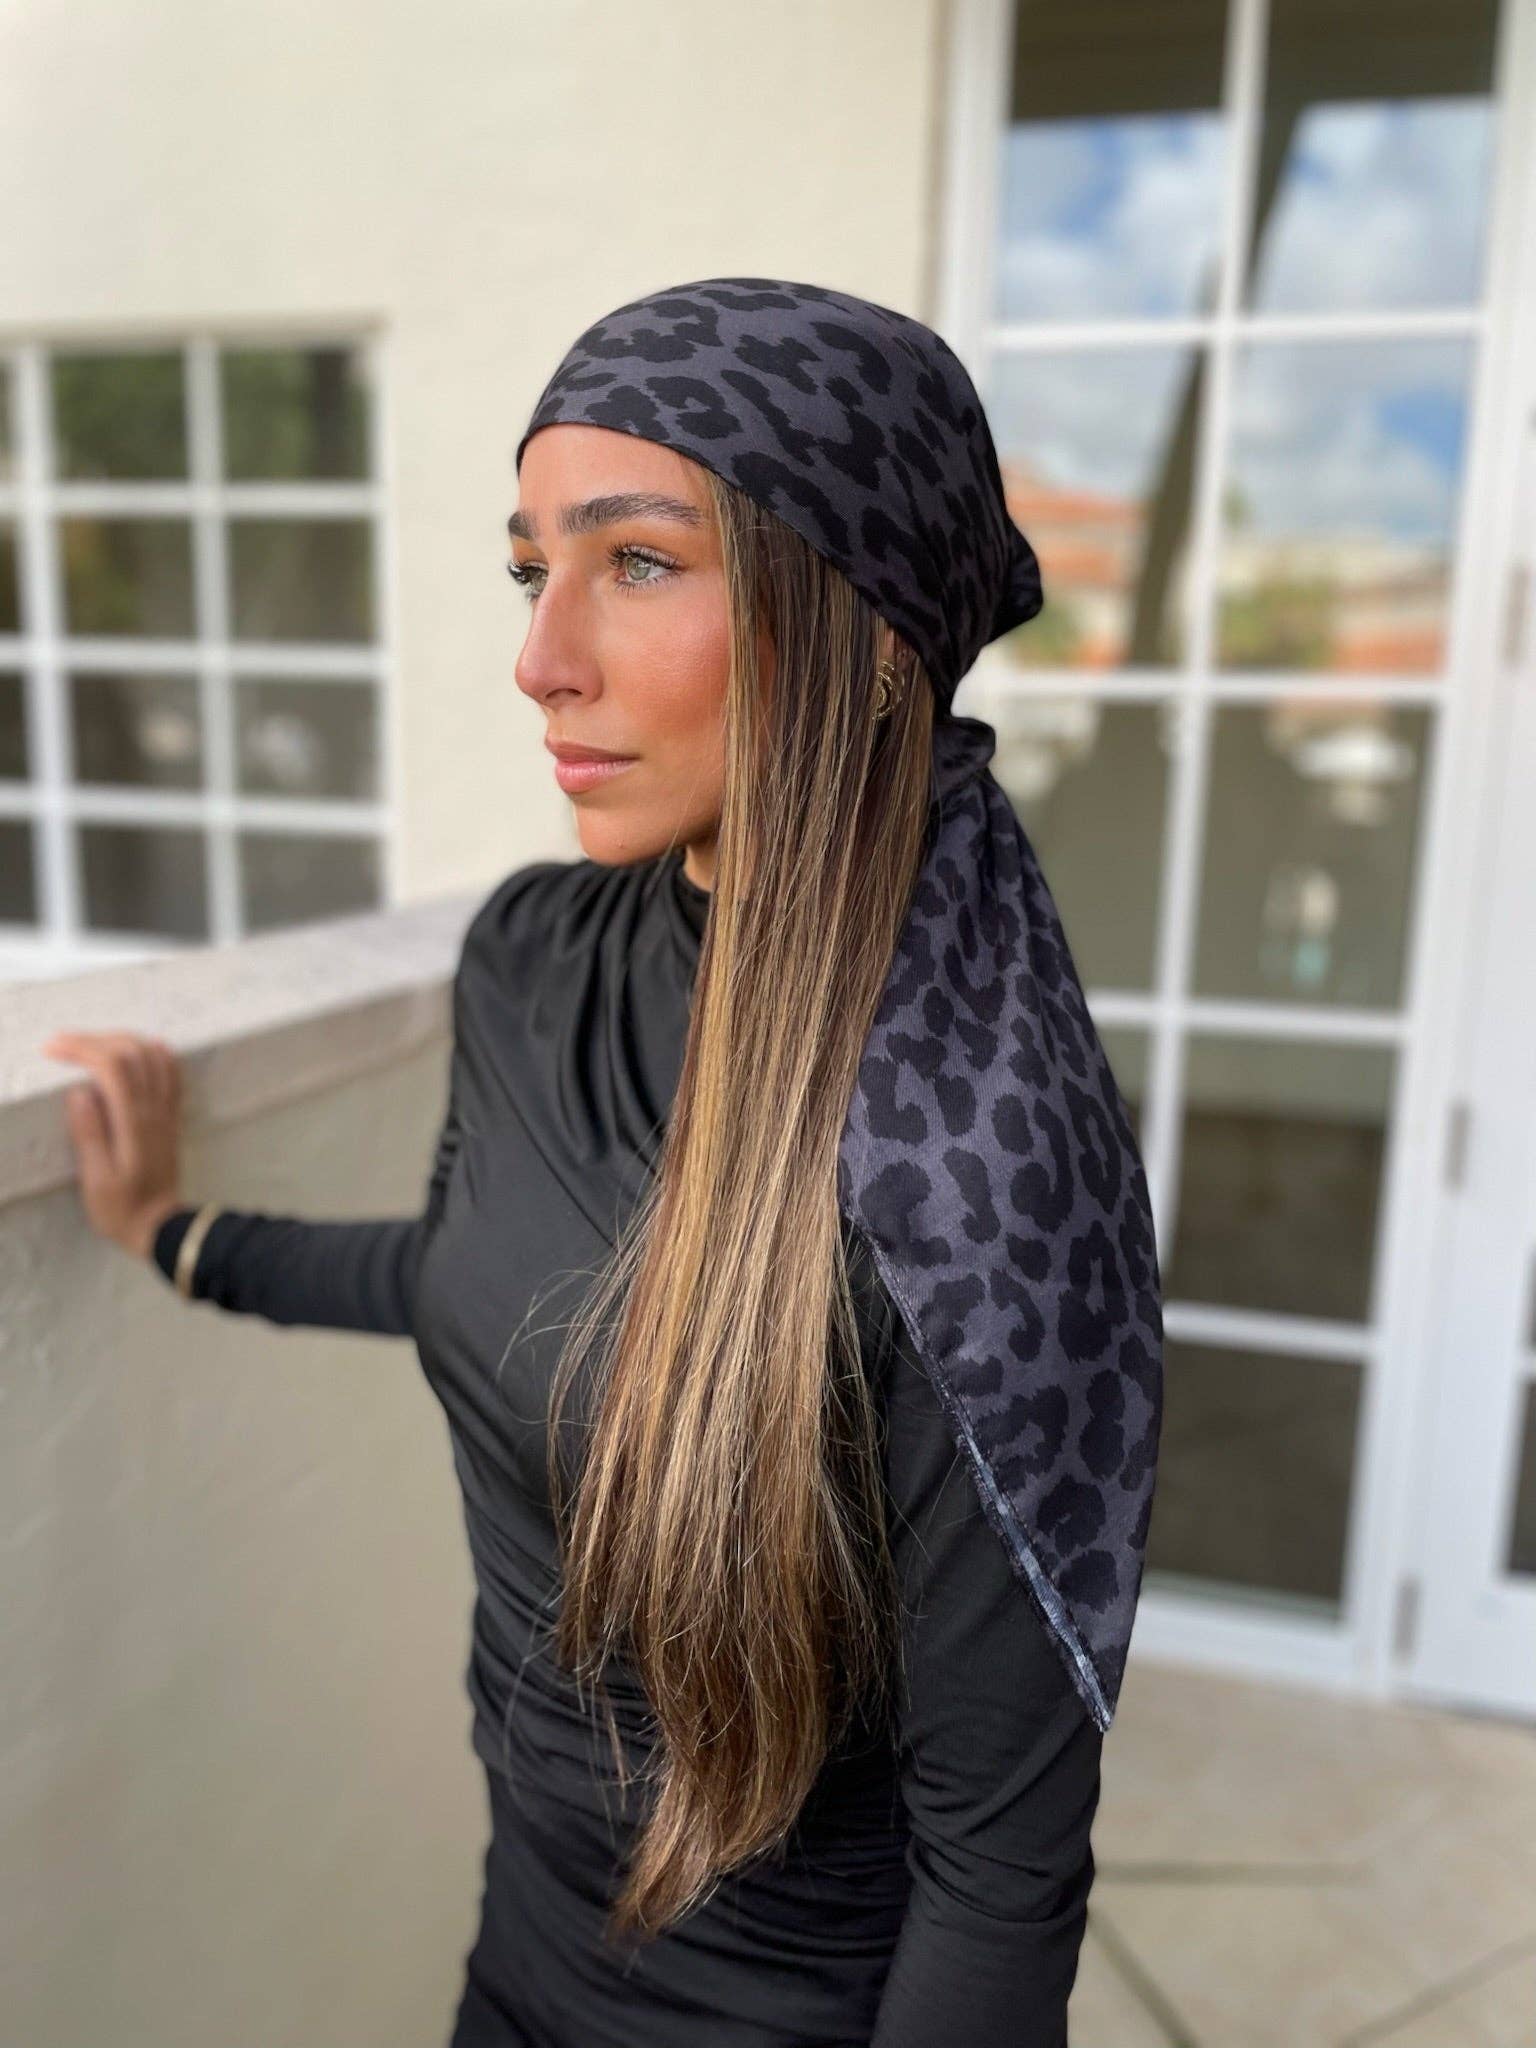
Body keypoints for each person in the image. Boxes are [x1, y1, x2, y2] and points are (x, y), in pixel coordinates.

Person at [43, 277, 1162, 2047]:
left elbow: (999, 1878)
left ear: (874, 630)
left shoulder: (980, 1172)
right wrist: (173, 1231)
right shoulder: (533, 956)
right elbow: (471, 1273)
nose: (540, 655)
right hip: (521, 1955)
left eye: (638, 561)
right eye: (531, 568)